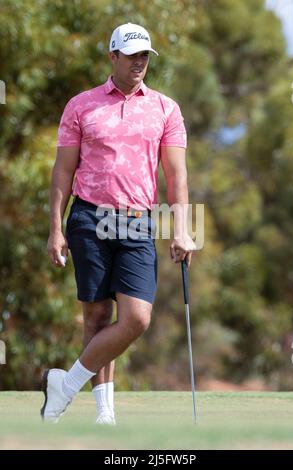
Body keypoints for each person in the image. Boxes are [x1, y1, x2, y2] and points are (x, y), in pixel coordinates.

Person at [41, 23, 196, 425]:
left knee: (136, 318)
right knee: (94, 318)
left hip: (138, 221)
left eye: (145, 55)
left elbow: (176, 175)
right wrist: (55, 228)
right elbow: (62, 172)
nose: (140, 62)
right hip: (89, 217)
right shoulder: (81, 105)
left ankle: (66, 384)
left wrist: (181, 229)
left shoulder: (166, 108)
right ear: (113, 57)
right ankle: (104, 414)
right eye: (132, 56)